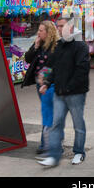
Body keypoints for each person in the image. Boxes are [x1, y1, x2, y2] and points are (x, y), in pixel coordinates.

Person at [38, 17, 90, 167]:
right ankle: (54, 155)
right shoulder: (59, 45)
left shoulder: (80, 45)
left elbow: (82, 70)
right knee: (56, 123)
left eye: (61, 26)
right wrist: (47, 83)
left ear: (71, 28)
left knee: (78, 124)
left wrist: (68, 87)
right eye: (58, 26)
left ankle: (79, 152)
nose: (59, 29)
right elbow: (53, 67)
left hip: (76, 93)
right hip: (60, 93)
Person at [22, 21, 59, 155]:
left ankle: (47, 144)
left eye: (41, 30)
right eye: (38, 30)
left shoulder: (56, 46)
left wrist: (46, 81)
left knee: (49, 113)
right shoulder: (39, 44)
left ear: (48, 32)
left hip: (51, 84)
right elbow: (27, 59)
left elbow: (54, 65)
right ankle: (51, 143)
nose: (38, 33)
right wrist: (35, 46)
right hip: (40, 84)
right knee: (49, 113)